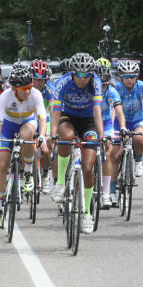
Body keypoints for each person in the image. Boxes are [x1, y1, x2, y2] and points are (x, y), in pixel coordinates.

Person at [50, 53, 104, 234]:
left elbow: (97, 110)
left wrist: (102, 135)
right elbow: (56, 110)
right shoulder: (63, 82)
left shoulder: (95, 82)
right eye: (78, 74)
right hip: (68, 117)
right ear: (72, 73)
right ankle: (59, 182)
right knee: (66, 135)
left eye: (86, 75)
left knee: (88, 169)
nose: (82, 79)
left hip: (89, 120)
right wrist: (52, 133)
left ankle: (87, 212)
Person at [0, 67, 47, 228]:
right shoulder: (5, 97)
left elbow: (42, 117)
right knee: (2, 166)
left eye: (29, 87)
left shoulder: (35, 94)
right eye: (23, 89)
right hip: (8, 126)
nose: (28, 92)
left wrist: (42, 135)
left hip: (27, 123)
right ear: (15, 89)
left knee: (27, 134)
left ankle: (28, 171)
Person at [112, 60, 143, 180]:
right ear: (120, 77)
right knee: (115, 155)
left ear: (137, 76)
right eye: (126, 76)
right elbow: (113, 108)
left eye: (132, 76)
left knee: (139, 138)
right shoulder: (117, 87)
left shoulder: (142, 86)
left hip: (137, 119)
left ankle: (138, 161)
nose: (129, 79)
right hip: (119, 122)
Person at [95, 58, 126, 207]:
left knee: (107, 152)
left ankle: (106, 193)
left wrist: (123, 127)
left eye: (104, 84)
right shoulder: (87, 90)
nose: (101, 87)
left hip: (106, 123)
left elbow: (119, 111)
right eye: (98, 84)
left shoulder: (112, 91)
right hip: (88, 121)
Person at [30, 59, 55, 194]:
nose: (39, 83)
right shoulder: (26, 87)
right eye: (35, 79)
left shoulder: (50, 89)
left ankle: (45, 175)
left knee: (48, 145)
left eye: (42, 80)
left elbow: (53, 109)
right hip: (31, 118)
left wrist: (53, 130)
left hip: (46, 119)